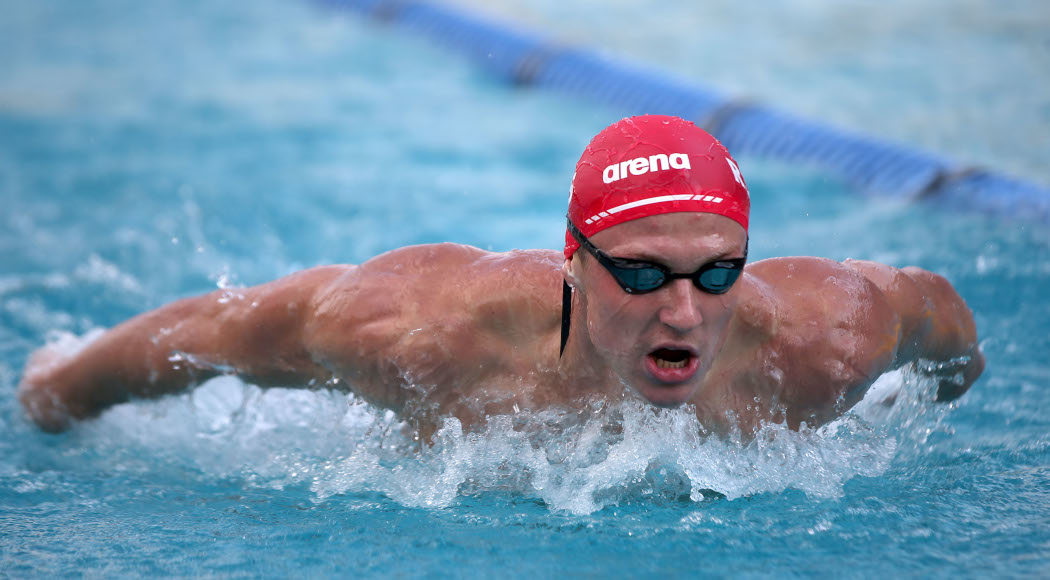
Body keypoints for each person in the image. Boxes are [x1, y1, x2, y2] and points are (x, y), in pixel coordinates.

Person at [17, 115, 984, 439]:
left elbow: (944, 322)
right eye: (641, 274)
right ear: (574, 258)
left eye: (717, 274)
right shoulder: (425, 334)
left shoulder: (829, 343)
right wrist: (62, 387)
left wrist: (925, 412)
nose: (683, 311)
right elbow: (215, 333)